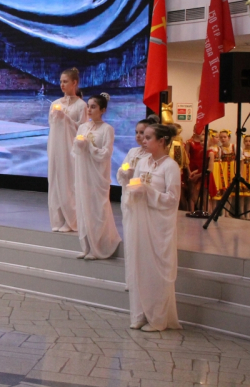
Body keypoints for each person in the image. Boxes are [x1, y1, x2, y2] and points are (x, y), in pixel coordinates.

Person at [126, 123, 183, 332]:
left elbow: (173, 199)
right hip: (142, 221)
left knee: (157, 271)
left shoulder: (170, 166)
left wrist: (148, 191)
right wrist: (132, 189)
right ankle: (141, 313)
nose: (143, 140)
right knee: (141, 267)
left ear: (162, 141)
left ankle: (158, 319)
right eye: (143, 136)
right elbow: (134, 185)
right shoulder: (142, 162)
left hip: (160, 226)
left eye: (149, 137)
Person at [72, 93, 121, 260]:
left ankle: (99, 246)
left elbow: (106, 153)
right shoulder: (83, 127)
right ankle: (86, 245)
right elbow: (75, 151)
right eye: (88, 106)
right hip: (84, 173)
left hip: (98, 175)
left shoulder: (107, 129)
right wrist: (78, 145)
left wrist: (89, 146)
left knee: (97, 209)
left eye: (93, 107)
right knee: (84, 207)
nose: (89, 109)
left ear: (103, 110)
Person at [116, 115, 158, 288]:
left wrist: (136, 176)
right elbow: (122, 170)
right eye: (137, 133)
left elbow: (152, 181)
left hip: (144, 203)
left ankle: (144, 278)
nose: (139, 137)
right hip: (129, 199)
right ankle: (131, 278)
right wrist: (125, 173)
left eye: (143, 134)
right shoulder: (133, 152)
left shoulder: (153, 156)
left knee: (143, 240)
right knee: (130, 239)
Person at [47, 67, 88, 232]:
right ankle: (58, 218)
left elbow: (82, 129)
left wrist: (66, 118)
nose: (62, 85)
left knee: (69, 183)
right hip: (56, 147)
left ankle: (71, 220)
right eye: (61, 82)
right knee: (55, 182)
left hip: (70, 148)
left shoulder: (81, 105)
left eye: (65, 81)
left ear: (74, 83)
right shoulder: (55, 104)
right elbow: (52, 125)